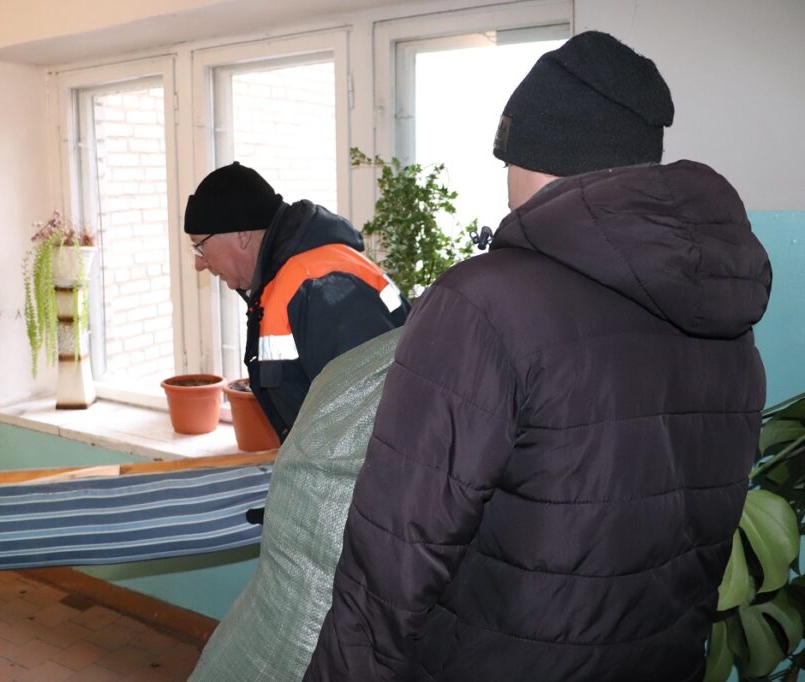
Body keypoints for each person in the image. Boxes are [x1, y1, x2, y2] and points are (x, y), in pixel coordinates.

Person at [305, 31, 771, 681]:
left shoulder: (484, 303)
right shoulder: (725, 320)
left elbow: (392, 562)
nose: (504, 186)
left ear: (535, 156)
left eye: (507, 158)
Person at [184, 162, 410, 442]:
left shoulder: (324, 287)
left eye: (200, 246)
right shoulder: (285, 282)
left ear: (241, 236)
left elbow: (367, 427)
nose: (199, 263)